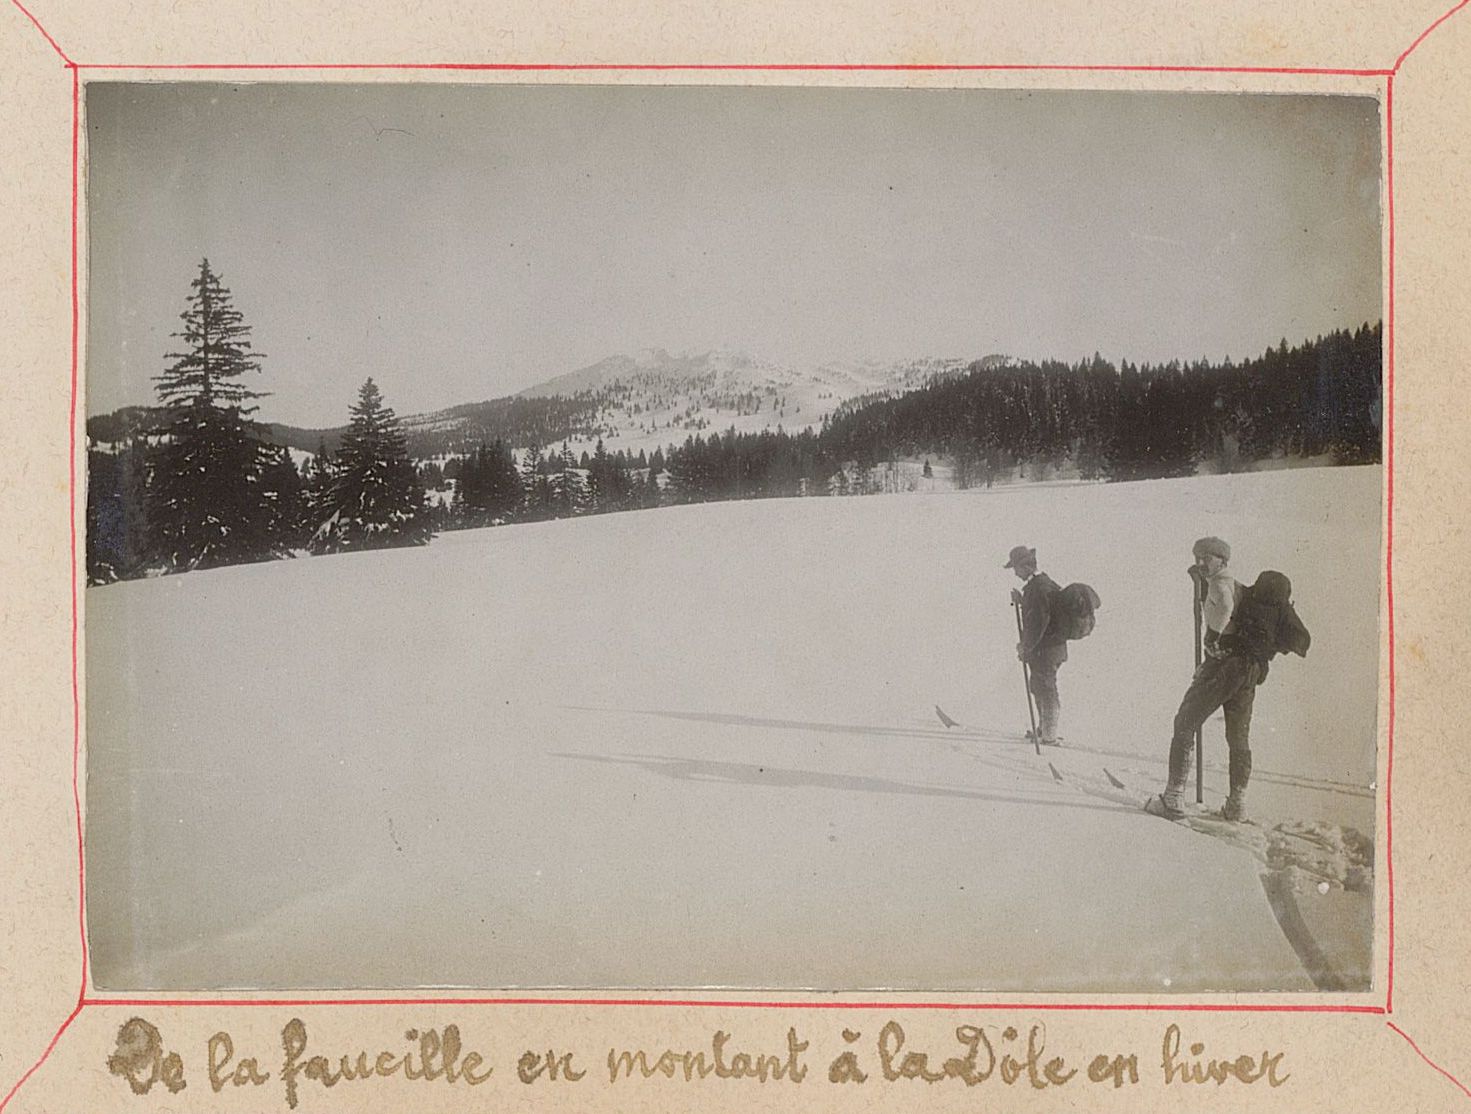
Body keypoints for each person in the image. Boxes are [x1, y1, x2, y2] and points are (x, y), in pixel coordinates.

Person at [1151, 547, 1311, 822]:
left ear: (1222, 560)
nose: (1200, 563)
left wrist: (1212, 639)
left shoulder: (1233, 589)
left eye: (1206, 558)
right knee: (1238, 738)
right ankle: (1237, 805)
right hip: (1253, 671)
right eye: (1197, 558)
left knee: (1186, 722)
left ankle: (1173, 797)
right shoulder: (1263, 603)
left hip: (1226, 665)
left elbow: (1221, 609)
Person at [1005, 545, 1066, 746]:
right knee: (1040, 686)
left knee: (1046, 688)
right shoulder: (1039, 585)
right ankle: (1044, 729)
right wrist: (1022, 601)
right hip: (1046, 649)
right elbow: (1038, 612)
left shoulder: (1040, 587)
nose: (1014, 572)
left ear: (1025, 567)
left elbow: (1039, 622)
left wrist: (1026, 646)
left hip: (1046, 650)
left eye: (1015, 568)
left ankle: (1049, 734)